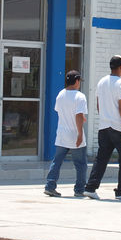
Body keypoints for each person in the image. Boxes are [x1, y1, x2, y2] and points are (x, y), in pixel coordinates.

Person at [83, 55, 121, 200]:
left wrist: (105, 118)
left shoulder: (101, 82)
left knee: (101, 158)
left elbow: (99, 106)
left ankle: (91, 187)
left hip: (104, 126)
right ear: (120, 67)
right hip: (118, 127)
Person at [44, 70, 88, 198]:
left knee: (57, 161)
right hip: (74, 134)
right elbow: (78, 115)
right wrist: (80, 134)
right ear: (76, 81)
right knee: (80, 164)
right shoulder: (80, 96)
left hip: (62, 134)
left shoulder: (61, 94)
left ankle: (50, 186)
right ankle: (79, 189)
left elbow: (62, 111)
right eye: (79, 81)